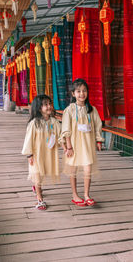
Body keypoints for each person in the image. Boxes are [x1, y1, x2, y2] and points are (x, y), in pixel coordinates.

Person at [59, 78, 104, 207]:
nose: (82, 94)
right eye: (78, 91)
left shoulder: (92, 109)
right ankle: (74, 194)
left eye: (84, 91)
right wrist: (69, 146)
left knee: (87, 169)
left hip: (87, 145)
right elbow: (66, 129)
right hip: (73, 145)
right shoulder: (70, 110)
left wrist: (98, 140)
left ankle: (86, 194)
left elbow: (97, 125)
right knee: (73, 170)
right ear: (73, 94)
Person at [21, 95, 61, 210]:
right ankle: (40, 199)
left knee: (42, 173)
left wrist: (66, 145)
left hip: (48, 153)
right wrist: (29, 154)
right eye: (45, 104)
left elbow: (60, 135)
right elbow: (28, 139)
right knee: (37, 174)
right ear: (39, 108)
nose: (49, 106)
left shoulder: (54, 122)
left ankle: (35, 186)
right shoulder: (34, 123)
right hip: (36, 153)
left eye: (50, 103)